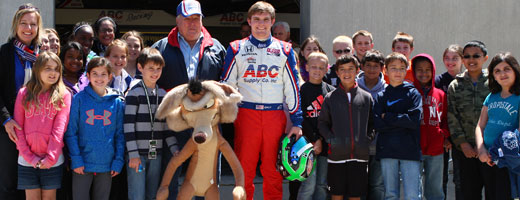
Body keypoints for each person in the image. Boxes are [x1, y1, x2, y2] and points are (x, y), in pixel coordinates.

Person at [221, 1, 302, 199]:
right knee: (244, 171)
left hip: (275, 115)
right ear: (249, 21)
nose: (261, 24)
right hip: (246, 115)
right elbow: (226, 86)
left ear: (272, 22)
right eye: (256, 19)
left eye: (266, 20)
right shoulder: (236, 48)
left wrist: (297, 121)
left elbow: (292, 87)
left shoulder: (284, 49)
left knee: (273, 172)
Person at [151, 0, 226, 199]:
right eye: (187, 19)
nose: (192, 23)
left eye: (196, 18)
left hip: (207, 125)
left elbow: (227, 85)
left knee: (207, 179)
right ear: (177, 21)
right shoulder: (161, 48)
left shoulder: (217, 48)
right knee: (172, 176)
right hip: (175, 125)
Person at [64, 57, 125, 200]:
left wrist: (118, 160)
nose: (99, 78)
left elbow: (119, 134)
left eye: (103, 74)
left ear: (110, 77)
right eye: (95, 73)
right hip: (82, 163)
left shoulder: (116, 102)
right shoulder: (79, 99)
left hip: (107, 163)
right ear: (88, 76)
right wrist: (76, 159)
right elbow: (71, 132)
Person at [14, 51, 71, 200]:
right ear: (37, 69)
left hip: (52, 160)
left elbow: (60, 129)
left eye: (56, 69)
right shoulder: (23, 93)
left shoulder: (64, 95)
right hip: (26, 160)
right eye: (48, 68)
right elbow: (18, 128)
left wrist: (50, 158)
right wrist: (29, 157)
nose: (53, 73)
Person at [124, 47, 179, 200]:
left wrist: (174, 148)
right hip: (137, 156)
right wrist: (133, 154)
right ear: (140, 67)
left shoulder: (163, 95)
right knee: (137, 194)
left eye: (158, 68)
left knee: (152, 194)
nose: (155, 73)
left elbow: (167, 126)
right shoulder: (134, 93)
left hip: (156, 153)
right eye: (150, 68)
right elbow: (128, 127)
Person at [0, 4, 43, 199]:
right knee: (9, 180)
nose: (28, 28)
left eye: (33, 24)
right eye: (24, 23)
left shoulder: (43, 55)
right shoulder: (5, 52)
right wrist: (6, 120)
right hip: (10, 127)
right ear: (16, 25)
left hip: (38, 127)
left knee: (32, 181)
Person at [319, 54, 373, 200]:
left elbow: (372, 124)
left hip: (360, 157)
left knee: (356, 195)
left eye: (350, 69)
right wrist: (331, 140)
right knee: (336, 194)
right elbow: (322, 123)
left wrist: (366, 140)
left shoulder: (366, 97)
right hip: (336, 157)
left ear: (357, 71)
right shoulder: (330, 98)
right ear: (337, 72)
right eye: (342, 69)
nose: (346, 73)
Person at [374, 52, 422, 200]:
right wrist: (402, 121)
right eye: (393, 68)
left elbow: (414, 122)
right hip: (387, 150)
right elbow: (378, 124)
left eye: (402, 68)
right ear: (385, 71)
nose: (398, 72)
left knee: (412, 195)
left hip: (410, 150)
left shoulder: (413, 94)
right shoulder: (381, 96)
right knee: (390, 194)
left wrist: (388, 116)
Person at [475, 52, 520, 199]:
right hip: (487, 157)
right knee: (491, 194)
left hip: (507, 160)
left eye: (507, 69)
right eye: (497, 71)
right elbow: (480, 126)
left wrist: (499, 153)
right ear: (493, 76)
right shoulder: (491, 96)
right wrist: (481, 149)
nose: (502, 73)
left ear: (515, 70)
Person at [447, 40, 489, 199]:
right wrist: (463, 144)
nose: (471, 60)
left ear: (485, 58)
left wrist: (485, 145)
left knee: (495, 191)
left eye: (476, 56)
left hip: (490, 148)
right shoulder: (455, 85)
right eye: (467, 56)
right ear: (463, 60)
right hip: (465, 151)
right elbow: (452, 116)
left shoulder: (494, 82)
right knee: (467, 192)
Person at [411, 53, 450, 200]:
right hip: (414, 148)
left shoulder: (440, 94)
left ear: (433, 71)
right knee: (415, 190)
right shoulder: (410, 92)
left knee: (435, 189)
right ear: (414, 72)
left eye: (428, 69)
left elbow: (445, 118)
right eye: (419, 69)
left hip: (436, 149)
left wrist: (443, 134)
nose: (423, 73)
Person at [296, 52, 334, 200]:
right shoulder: (301, 91)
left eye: (321, 67)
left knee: (322, 185)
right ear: (306, 67)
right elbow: (301, 118)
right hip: (306, 145)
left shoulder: (330, 91)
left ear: (326, 69)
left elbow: (332, 120)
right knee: (308, 184)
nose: (317, 70)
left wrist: (322, 140)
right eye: (313, 67)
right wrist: (314, 139)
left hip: (325, 146)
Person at [356, 49, 386, 200]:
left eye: (376, 66)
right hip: (357, 146)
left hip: (380, 146)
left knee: (377, 185)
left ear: (382, 68)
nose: (372, 69)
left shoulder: (387, 90)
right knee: (358, 185)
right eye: (368, 65)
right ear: (361, 66)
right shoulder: (354, 87)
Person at [435, 44, 464, 200]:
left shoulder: (466, 81)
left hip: (463, 137)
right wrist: (444, 136)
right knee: (442, 178)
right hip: (442, 136)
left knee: (460, 179)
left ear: (462, 60)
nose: (450, 61)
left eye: (455, 58)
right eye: (447, 58)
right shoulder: (438, 81)